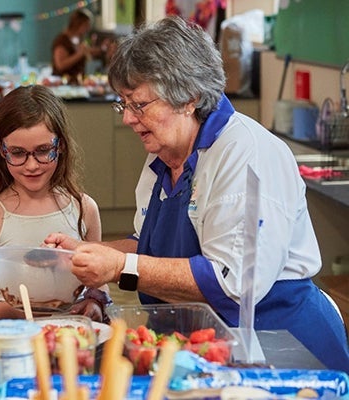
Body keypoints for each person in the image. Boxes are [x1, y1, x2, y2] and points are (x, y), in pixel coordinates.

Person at [44, 16, 349, 372]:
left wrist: (117, 266)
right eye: (123, 103)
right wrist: (88, 252)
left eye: (138, 104)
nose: (127, 118)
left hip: (278, 345)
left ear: (189, 97)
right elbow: (147, 244)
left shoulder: (245, 154)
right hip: (203, 344)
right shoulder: (164, 156)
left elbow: (230, 279)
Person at [0, 84, 108, 323]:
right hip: (15, 339)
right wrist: (23, 311)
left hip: (73, 338)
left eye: (43, 151)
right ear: (1, 149)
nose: (32, 165)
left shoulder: (84, 209)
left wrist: (95, 303)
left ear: (60, 145)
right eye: (18, 153)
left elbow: (99, 285)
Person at [51, 8, 106, 85]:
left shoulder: (79, 39)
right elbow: (60, 65)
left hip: (76, 82)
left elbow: (87, 52)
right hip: (62, 84)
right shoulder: (62, 41)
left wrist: (102, 49)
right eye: (86, 25)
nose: (88, 29)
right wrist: (80, 54)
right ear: (78, 24)